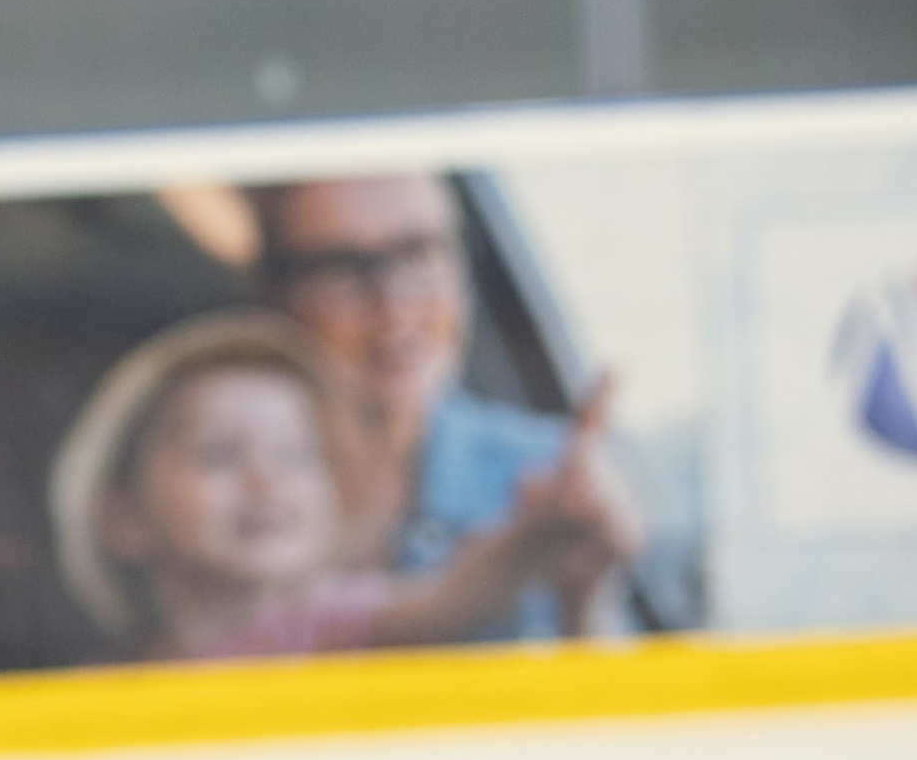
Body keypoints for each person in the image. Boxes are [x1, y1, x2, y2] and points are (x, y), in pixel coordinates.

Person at [48, 310, 616, 659]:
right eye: (220, 456)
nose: (265, 480)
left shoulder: (320, 623)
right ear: (125, 520)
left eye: (296, 456)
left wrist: (536, 531)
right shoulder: (109, 678)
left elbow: (452, 597)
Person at [254, 173, 643, 626]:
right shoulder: (225, 487)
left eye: (420, 254)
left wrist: (586, 592)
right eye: (343, 269)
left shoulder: (549, 472)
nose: (394, 308)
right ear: (276, 300)